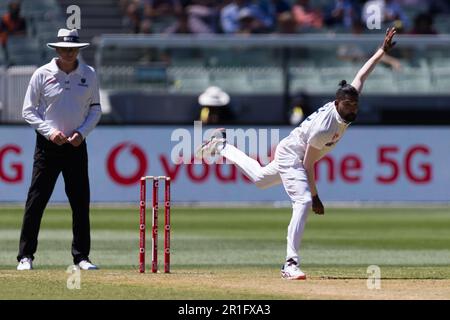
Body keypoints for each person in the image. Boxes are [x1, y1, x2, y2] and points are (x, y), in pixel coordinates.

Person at [196, 28, 397, 280]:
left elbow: (361, 74)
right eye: (348, 105)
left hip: (291, 148)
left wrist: (381, 51)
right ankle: (290, 264)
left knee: (259, 179)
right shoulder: (326, 128)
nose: (352, 109)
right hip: (293, 154)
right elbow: (307, 164)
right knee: (301, 202)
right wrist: (315, 197)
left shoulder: (348, 97)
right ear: (337, 103)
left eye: (355, 105)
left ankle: (222, 146)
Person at [17, 29, 102, 271]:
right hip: (48, 146)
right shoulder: (42, 74)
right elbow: (28, 110)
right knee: (36, 201)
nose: (68, 52)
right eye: (64, 48)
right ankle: (25, 256)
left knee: (79, 201)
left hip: (75, 145)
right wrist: (49, 132)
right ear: (56, 49)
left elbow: (95, 109)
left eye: (73, 48)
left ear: (78, 50)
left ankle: (81, 257)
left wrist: (81, 133)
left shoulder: (88, 74)